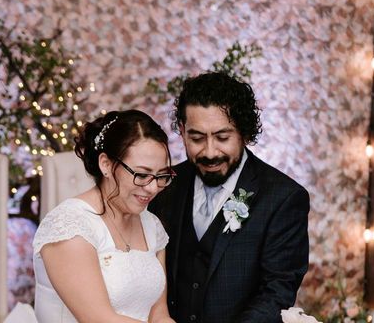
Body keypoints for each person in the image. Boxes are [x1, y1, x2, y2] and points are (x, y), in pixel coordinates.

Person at [149, 72, 310, 323]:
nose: (210, 152)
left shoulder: (284, 198)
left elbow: (276, 292)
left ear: (243, 132)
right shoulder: (164, 185)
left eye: (223, 137)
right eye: (196, 138)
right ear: (181, 130)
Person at [33, 109, 177, 323]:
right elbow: (100, 319)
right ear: (106, 165)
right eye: (142, 175)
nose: (153, 187)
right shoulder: (69, 226)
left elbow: (159, 315)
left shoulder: (151, 224)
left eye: (161, 175)